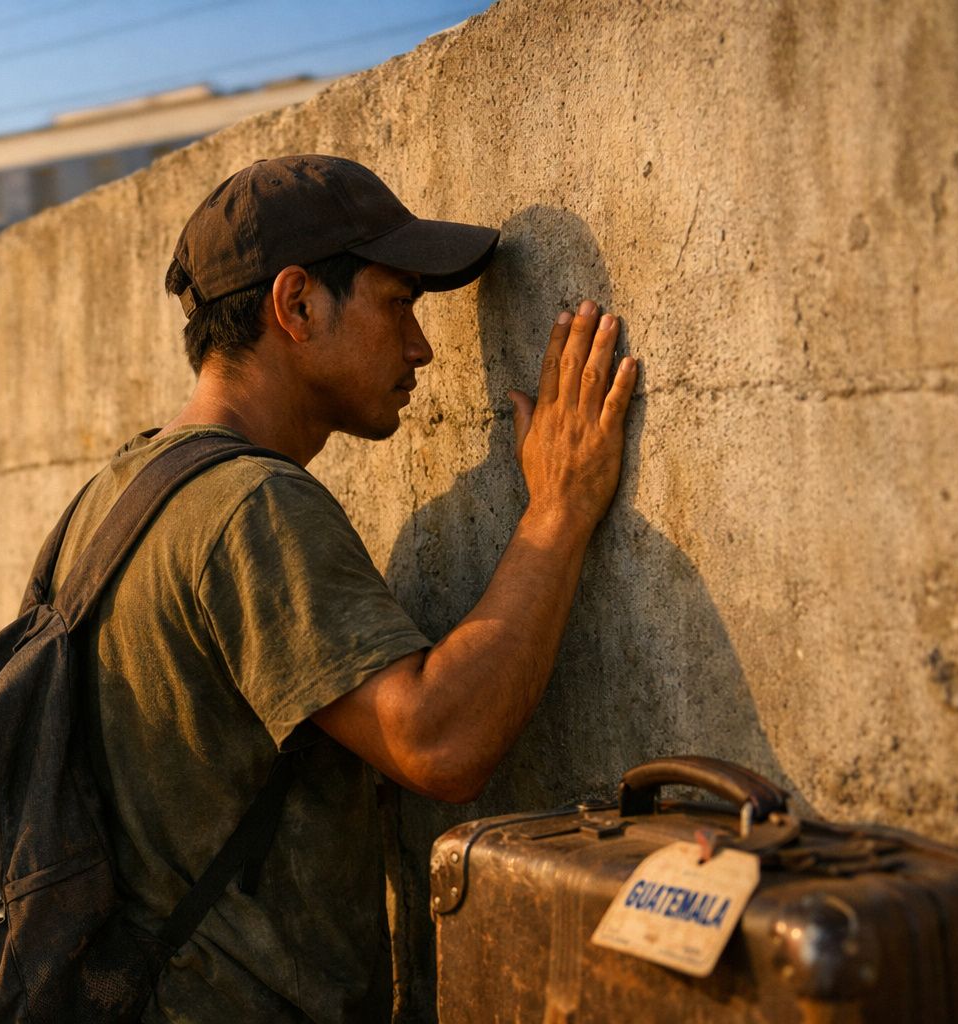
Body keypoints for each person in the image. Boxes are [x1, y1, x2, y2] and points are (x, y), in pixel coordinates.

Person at [45, 155, 637, 1022]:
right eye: (398, 304)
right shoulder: (250, 506)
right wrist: (559, 508)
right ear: (297, 306)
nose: (422, 346)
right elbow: (439, 743)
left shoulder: (118, 490)